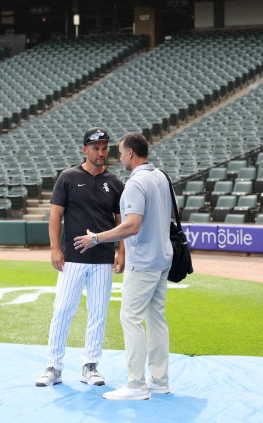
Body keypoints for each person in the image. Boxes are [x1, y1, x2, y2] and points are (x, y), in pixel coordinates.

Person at [74, 131, 173, 401]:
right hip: (163, 257)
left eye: (120, 151)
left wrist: (97, 238)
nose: (118, 156)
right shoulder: (161, 176)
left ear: (130, 152)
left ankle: (136, 384)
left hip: (143, 262)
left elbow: (132, 225)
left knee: (130, 319)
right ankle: (160, 380)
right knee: (156, 320)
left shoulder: (135, 183)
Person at [35, 127, 125, 388]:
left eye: (105, 148)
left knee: (98, 313)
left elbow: (120, 222)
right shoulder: (68, 177)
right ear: (85, 149)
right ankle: (53, 366)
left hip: (102, 259)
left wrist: (121, 252)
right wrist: (55, 248)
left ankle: (90, 366)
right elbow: (55, 216)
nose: (101, 152)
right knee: (62, 310)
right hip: (72, 258)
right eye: (96, 148)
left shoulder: (115, 182)